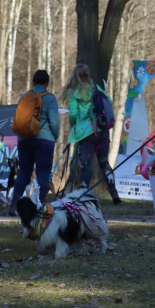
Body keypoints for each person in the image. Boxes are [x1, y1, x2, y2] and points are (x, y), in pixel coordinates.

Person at [60, 63, 121, 204]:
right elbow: (109, 101)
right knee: (104, 162)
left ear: (75, 75)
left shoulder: (74, 91)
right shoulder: (95, 87)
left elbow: (74, 114)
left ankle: (84, 194)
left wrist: (72, 124)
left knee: (85, 164)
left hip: (85, 133)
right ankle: (114, 193)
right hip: (102, 130)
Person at [8, 70, 60, 214]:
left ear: (33, 82)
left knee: (24, 172)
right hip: (44, 140)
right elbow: (54, 122)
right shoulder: (50, 98)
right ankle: (38, 207)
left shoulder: (24, 97)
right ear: (47, 83)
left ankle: (14, 206)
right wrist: (56, 136)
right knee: (43, 173)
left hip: (24, 139)